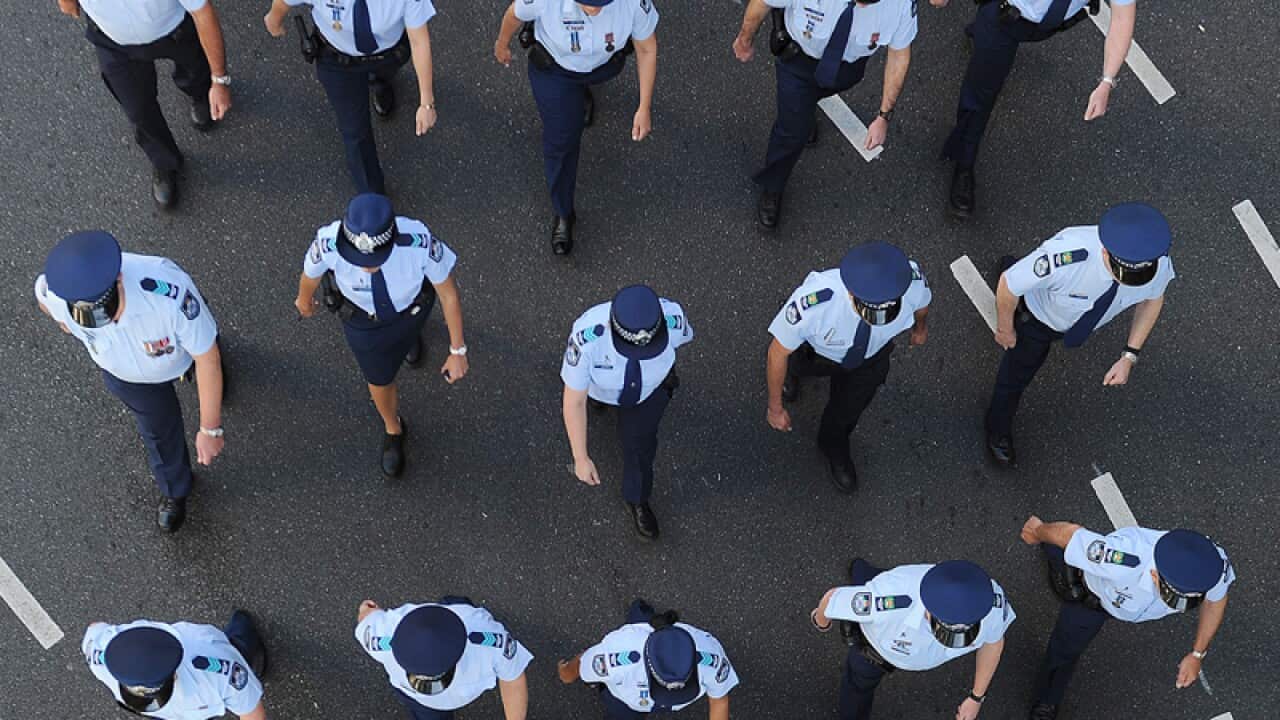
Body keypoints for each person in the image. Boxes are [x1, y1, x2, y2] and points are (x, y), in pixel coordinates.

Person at [35, 231, 225, 531]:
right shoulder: (60, 293)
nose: (108, 321)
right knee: (158, 434)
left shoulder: (168, 294)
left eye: (108, 310)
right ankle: (175, 490)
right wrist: (64, 323)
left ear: (119, 281)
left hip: (182, 356)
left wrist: (209, 429)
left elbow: (207, 357)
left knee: (211, 363)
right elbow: (44, 299)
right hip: (129, 378)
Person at [984, 202, 1173, 465]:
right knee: (1014, 378)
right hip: (1037, 321)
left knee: (1025, 276)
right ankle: (997, 429)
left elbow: (1153, 299)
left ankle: (1021, 269)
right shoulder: (1068, 257)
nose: (1125, 282)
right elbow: (1009, 283)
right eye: (1122, 273)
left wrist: (1129, 356)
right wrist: (1005, 329)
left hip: (1070, 320)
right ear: (1105, 251)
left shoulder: (1154, 263)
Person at [294, 193, 468, 477]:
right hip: (364, 322)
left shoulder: (418, 241)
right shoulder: (328, 242)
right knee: (379, 379)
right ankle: (393, 427)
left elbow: (448, 294)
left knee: (410, 332)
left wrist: (457, 351)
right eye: (358, 257)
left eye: (376, 257)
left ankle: (408, 341)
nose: (367, 265)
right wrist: (304, 301)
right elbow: (309, 275)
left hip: (411, 311)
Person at [1019, 516, 1234, 720]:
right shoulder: (1123, 559)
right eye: (1174, 597)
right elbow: (1069, 534)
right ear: (1154, 575)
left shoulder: (1211, 567)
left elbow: (1214, 601)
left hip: (1122, 604)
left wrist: (1197, 654)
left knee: (1073, 548)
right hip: (1093, 596)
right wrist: (1037, 531)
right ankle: (1047, 699)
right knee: (1063, 650)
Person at [939, 0, 1136, 218]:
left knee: (992, 43)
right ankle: (964, 160)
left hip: (1041, 24)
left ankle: (980, 31)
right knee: (980, 95)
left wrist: (1106, 82)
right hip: (1002, 14)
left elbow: (1122, 18)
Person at [732, 0, 918, 228]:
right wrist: (745, 39)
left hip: (846, 69)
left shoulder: (900, 5)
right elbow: (762, 3)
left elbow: (899, 55)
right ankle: (774, 185)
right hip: (798, 63)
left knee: (807, 105)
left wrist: (884, 117)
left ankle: (806, 108)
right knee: (792, 133)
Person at [493, 0, 659, 254]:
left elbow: (646, 48)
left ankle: (580, 96)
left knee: (583, 90)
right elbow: (514, 14)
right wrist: (501, 44)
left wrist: (644, 107)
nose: (594, 9)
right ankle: (563, 212)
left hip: (603, 64)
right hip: (556, 72)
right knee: (561, 143)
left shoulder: (632, 3)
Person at [765, 241, 929, 491]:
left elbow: (923, 302)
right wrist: (775, 407)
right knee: (793, 362)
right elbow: (777, 352)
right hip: (818, 354)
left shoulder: (910, 282)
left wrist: (920, 328)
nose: (876, 321)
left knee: (848, 410)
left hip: (870, 358)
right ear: (851, 293)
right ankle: (792, 376)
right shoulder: (815, 305)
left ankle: (833, 445)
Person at [57, 0, 232, 208]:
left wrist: (219, 80)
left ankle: (200, 91)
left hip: (174, 30)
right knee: (138, 110)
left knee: (195, 66)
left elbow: (202, 13)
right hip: (112, 42)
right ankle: (164, 162)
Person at [264, 0, 438, 194]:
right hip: (337, 61)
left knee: (386, 73)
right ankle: (372, 196)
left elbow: (419, 42)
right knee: (354, 130)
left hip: (387, 54)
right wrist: (274, 19)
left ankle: (380, 82)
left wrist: (426, 103)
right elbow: (284, 1)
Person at [561, 285, 693, 540]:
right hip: (602, 389)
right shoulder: (587, 339)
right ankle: (600, 404)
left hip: (649, 392)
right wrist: (581, 458)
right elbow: (574, 401)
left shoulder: (674, 319)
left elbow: (684, 338)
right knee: (592, 400)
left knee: (641, 448)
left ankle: (637, 497)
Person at [811, 559, 1014, 720]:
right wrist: (820, 621)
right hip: (877, 650)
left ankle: (862, 571)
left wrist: (976, 698)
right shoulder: (886, 601)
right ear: (928, 609)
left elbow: (993, 642)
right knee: (858, 686)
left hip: (901, 615)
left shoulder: (990, 604)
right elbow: (832, 598)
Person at [558, 598, 739, 718]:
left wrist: (567, 674)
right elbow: (583, 663)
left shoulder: (713, 659)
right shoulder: (616, 656)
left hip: (632, 692)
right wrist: (566, 674)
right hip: (625, 702)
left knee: (642, 617)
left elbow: (719, 700)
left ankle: (642, 611)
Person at [356, 598, 531, 719]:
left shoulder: (490, 640)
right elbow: (512, 677)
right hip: (423, 702)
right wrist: (368, 611)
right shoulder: (380, 638)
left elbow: (366, 618)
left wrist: (367, 609)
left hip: (418, 699)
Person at [83, 612, 268, 719]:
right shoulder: (101, 653)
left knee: (240, 645)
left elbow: (251, 711)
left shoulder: (218, 669)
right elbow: (94, 628)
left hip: (216, 653)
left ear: (174, 673)